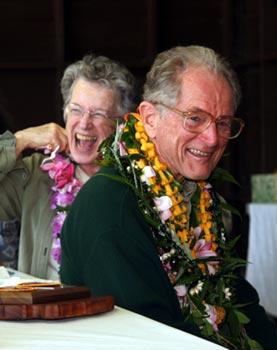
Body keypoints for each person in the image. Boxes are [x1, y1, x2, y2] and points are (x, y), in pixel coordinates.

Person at [60, 46, 277, 349]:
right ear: (149, 118)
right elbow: (152, 335)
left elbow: (233, 297)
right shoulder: (111, 204)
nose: (213, 138)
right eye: (194, 118)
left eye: (223, 122)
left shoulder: (196, 195)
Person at [0, 53, 137, 279]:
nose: (84, 123)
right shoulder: (37, 173)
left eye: (99, 114)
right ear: (64, 113)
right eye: (76, 110)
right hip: (43, 311)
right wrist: (20, 140)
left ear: (120, 125)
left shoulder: (139, 183)